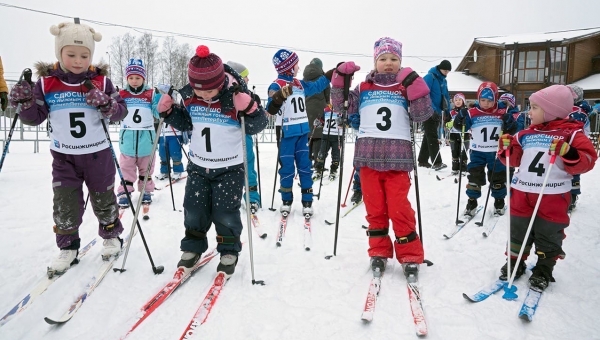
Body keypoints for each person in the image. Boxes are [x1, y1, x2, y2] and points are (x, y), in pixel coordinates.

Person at [9, 21, 127, 275]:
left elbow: (120, 113)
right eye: (71, 54)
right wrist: (25, 101)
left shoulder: (102, 82)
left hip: (98, 154)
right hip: (64, 156)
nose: (78, 61)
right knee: (65, 203)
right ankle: (68, 246)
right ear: (59, 52)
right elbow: (35, 117)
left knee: (104, 198)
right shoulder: (46, 83)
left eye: (84, 55)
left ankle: (111, 236)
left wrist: (106, 104)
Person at [157, 45, 267, 276]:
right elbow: (187, 124)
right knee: (194, 209)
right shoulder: (190, 98)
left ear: (220, 82)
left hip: (229, 167)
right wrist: (169, 114)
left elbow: (257, 126)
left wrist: (251, 109)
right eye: (199, 91)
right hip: (198, 166)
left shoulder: (235, 97)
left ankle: (228, 249)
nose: (204, 95)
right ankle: (192, 247)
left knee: (226, 211)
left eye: (209, 90)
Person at [331, 37, 433, 280]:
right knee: (375, 209)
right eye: (383, 59)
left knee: (399, 208)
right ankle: (378, 250)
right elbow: (342, 106)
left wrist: (417, 89)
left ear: (401, 62)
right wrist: (340, 81)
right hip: (368, 158)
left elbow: (422, 115)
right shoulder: (364, 88)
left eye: (394, 59)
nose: (388, 63)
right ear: (375, 61)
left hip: (398, 161)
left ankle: (409, 253)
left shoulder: (404, 86)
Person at [496, 85, 597, 291]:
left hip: (553, 195)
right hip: (522, 193)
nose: (529, 112)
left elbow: (587, 160)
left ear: (551, 110)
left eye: (534, 107)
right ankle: (515, 261)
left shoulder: (572, 133)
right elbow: (514, 160)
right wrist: (506, 148)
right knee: (518, 230)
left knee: (549, 232)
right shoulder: (524, 133)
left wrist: (568, 152)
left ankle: (544, 267)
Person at [265, 49, 331, 217]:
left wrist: (331, 75)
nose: (299, 68)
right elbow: (271, 107)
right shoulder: (276, 84)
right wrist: (278, 96)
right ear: (288, 67)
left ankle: (307, 200)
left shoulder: (299, 84)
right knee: (287, 167)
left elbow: (316, 86)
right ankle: (286, 199)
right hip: (286, 133)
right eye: (296, 65)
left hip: (302, 132)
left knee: (305, 166)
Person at [453, 82, 516, 216]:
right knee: (474, 177)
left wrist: (509, 121)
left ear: (496, 99)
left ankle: (499, 202)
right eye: (482, 100)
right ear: (478, 98)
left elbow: (513, 129)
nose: (486, 103)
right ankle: (472, 202)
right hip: (477, 152)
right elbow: (459, 127)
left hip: (496, 152)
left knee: (497, 178)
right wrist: (460, 118)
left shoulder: (503, 111)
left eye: (489, 100)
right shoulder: (472, 112)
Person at [116, 58, 160, 207]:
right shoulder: (122, 94)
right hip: (127, 138)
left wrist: (162, 102)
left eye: (138, 78)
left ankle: (146, 190)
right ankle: (125, 191)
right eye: (131, 78)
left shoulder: (150, 93)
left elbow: (157, 113)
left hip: (146, 138)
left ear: (143, 78)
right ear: (127, 78)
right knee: (126, 166)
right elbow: (115, 113)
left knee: (146, 166)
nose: (134, 81)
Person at [226, 60, 261, 212]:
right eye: (245, 76)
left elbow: (259, 116)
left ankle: (252, 197)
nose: (248, 79)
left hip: (244, 135)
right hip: (228, 138)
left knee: (248, 165)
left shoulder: (249, 95)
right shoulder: (225, 96)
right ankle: (230, 196)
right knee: (229, 167)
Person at [418, 59, 452, 170]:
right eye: (445, 70)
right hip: (428, 110)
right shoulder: (430, 77)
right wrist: (431, 109)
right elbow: (424, 93)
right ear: (440, 68)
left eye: (448, 71)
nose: (446, 73)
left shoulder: (443, 81)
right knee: (432, 135)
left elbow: (446, 96)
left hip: (438, 111)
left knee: (428, 134)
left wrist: (448, 111)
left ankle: (422, 160)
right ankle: (437, 162)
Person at [566, 84, 592, 212]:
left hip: (575, 143)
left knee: (573, 170)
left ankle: (571, 196)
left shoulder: (578, 112)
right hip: (569, 142)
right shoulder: (570, 109)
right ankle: (566, 195)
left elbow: (576, 128)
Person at [303, 58, 330, 165]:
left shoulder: (304, 79)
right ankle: (318, 163)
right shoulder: (323, 79)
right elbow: (328, 96)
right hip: (319, 110)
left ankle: (306, 162)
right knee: (319, 135)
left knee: (308, 135)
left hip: (306, 110)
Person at [312, 104, 341, 181]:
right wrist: (318, 122)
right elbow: (322, 120)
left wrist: (342, 122)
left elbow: (346, 121)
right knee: (321, 154)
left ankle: (333, 171)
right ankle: (318, 170)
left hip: (337, 136)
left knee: (336, 155)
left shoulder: (341, 109)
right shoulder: (326, 110)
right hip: (326, 136)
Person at [444, 93, 469, 173]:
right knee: (454, 151)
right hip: (453, 134)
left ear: (463, 101)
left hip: (464, 134)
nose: (458, 102)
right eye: (456, 100)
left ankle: (463, 168)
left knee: (463, 151)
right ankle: (455, 168)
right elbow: (446, 123)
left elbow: (470, 121)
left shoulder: (467, 111)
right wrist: (448, 124)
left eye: (460, 100)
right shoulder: (451, 113)